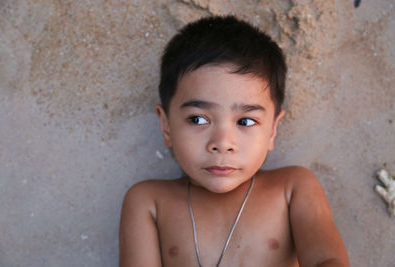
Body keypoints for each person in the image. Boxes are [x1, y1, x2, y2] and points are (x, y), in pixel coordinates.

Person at [119, 15, 350, 267]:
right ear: (166, 125)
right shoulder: (149, 202)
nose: (222, 143)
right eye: (198, 119)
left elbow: (328, 260)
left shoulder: (292, 188)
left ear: (272, 130)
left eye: (246, 121)